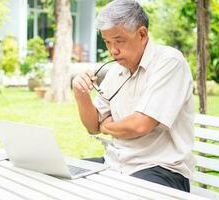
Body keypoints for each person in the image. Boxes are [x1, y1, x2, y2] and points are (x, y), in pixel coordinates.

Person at [72, 0, 195, 193]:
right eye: (107, 42)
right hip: (115, 164)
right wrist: (81, 95)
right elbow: (92, 127)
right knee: (62, 176)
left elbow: (140, 125)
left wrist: (106, 126)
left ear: (142, 34)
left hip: (162, 170)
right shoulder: (115, 71)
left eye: (119, 41)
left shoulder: (169, 62)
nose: (113, 50)